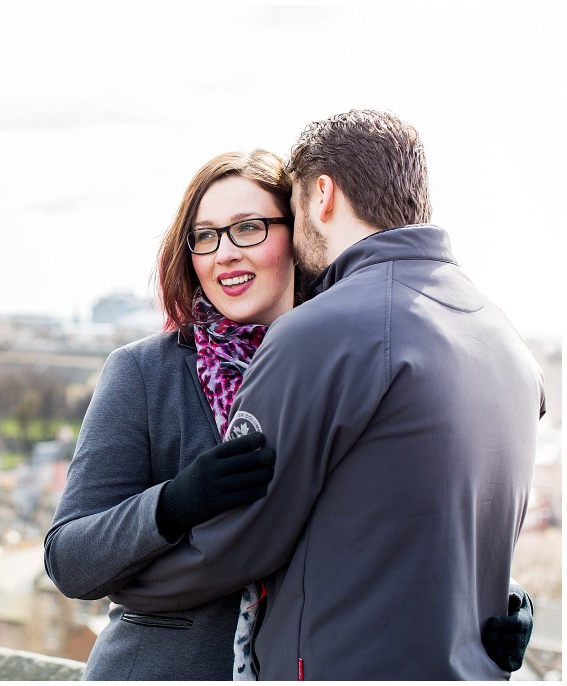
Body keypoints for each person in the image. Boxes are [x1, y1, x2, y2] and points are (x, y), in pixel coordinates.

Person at [44, 145, 534, 680]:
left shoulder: (347, 362)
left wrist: (491, 602)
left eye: (248, 228)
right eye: (204, 237)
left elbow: (375, 526)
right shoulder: (144, 373)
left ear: (297, 232)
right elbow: (69, 560)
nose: (224, 253)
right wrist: (173, 504)